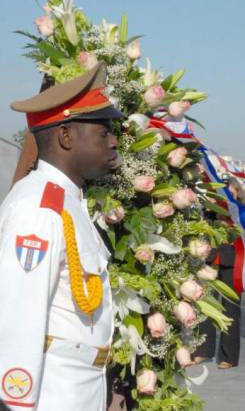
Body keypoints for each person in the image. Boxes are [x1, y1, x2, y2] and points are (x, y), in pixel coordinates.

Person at [0, 62, 123, 410]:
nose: (114, 141)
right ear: (66, 136)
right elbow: (17, 317)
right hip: (50, 394)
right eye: (103, 132)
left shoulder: (69, 202)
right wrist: (15, 402)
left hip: (79, 389)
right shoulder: (38, 208)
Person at [194, 177, 245, 369]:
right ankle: (202, 351)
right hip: (209, 261)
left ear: (237, 194)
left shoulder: (242, 212)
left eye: (231, 195)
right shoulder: (209, 212)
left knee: (231, 308)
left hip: (232, 262)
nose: (226, 199)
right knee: (204, 304)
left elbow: (242, 234)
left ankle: (229, 356)